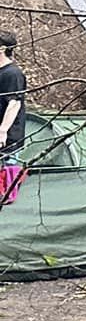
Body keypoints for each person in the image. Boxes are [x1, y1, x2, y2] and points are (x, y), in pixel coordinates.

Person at [0, 31, 25, 205]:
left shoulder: (13, 74)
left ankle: (7, 197)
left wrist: (2, 131)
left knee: (8, 164)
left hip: (9, 133)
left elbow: (14, 103)